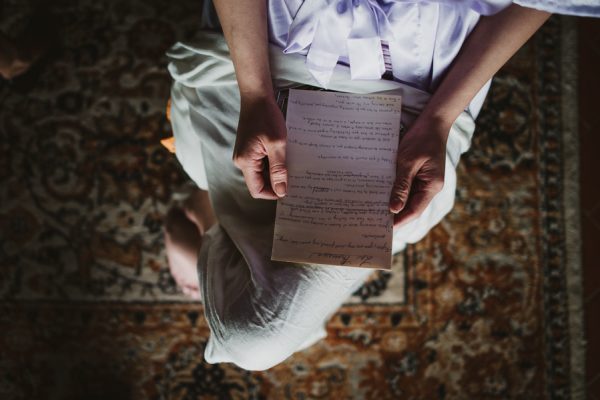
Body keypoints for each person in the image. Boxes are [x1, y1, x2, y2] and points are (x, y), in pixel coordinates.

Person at [163, 0, 599, 371]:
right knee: (248, 187)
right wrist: (255, 91)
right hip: (255, 61)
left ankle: (214, 205)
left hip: (409, 108)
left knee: (254, 339)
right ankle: (215, 207)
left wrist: (439, 122)